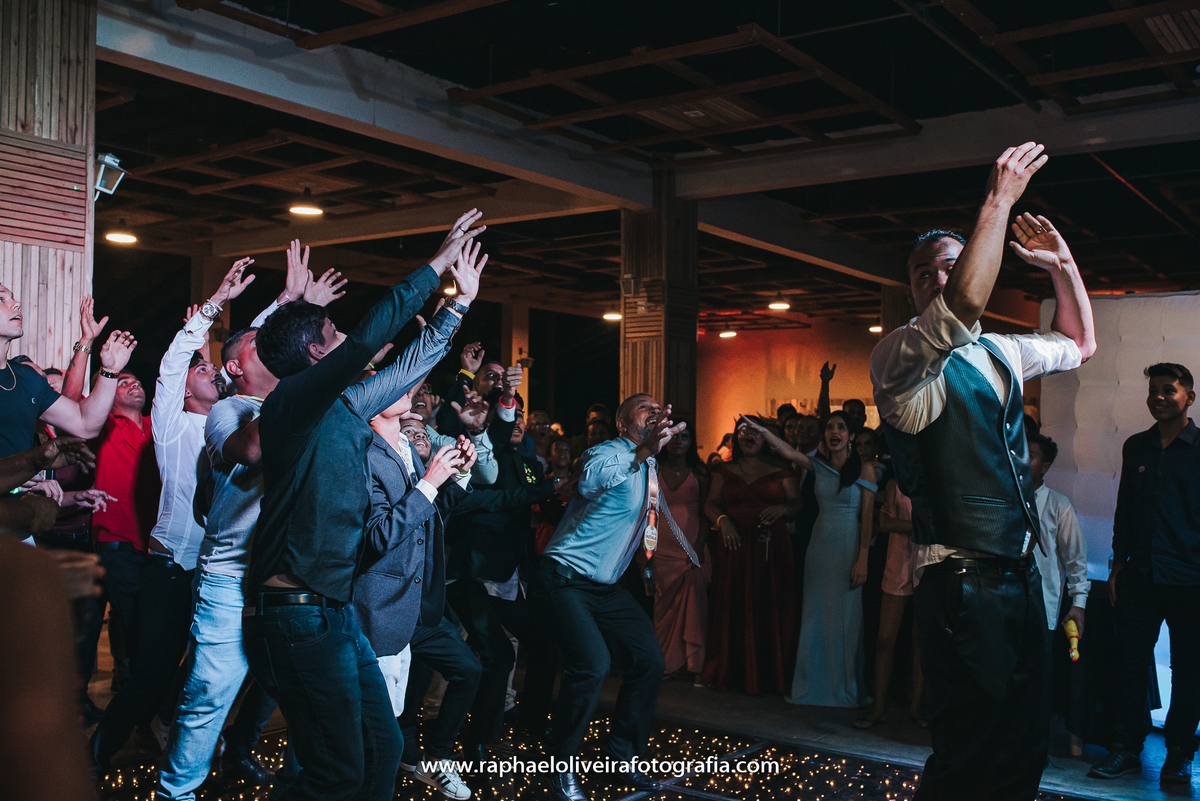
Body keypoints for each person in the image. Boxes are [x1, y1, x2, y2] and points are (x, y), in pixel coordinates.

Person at [870, 142, 1096, 800]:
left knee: (1022, 750)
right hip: (961, 585)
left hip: (1020, 578)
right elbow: (963, 305)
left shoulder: (999, 351)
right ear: (913, 288)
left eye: (949, 265)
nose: (938, 279)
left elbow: (1080, 343)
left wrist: (1063, 265)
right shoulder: (900, 355)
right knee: (969, 756)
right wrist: (998, 200)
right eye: (924, 273)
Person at [242, 209, 485, 801]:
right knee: (336, 774)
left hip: (335, 610)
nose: (348, 340)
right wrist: (434, 266)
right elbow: (375, 334)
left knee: (384, 748)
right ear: (316, 356)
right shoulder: (291, 407)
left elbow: (410, 365)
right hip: (297, 611)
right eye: (334, 336)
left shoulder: (347, 407)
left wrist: (457, 304)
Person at [158, 241, 347, 799]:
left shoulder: (300, 400)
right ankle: (178, 791)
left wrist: (300, 315)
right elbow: (256, 452)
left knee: (297, 692)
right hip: (230, 578)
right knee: (212, 690)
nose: (273, 350)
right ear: (239, 367)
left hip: (290, 577)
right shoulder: (229, 410)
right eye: (263, 347)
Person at [91, 259, 259, 773]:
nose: (211, 372)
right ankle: (91, 760)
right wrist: (216, 302)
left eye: (215, 370)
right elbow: (175, 360)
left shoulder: (232, 426)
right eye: (202, 370)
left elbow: (251, 362)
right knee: (151, 672)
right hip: (171, 568)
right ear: (186, 389)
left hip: (218, 571)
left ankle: (176, 729)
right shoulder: (171, 425)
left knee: (216, 669)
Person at [533, 394, 691, 801]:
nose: (654, 412)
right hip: (564, 578)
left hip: (605, 588)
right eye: (644, 408)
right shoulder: (605, 451)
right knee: (592, 665)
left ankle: (621, 755)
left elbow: (634, 526)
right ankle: (559, 765)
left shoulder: (650, 465)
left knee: (649, 660)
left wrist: (646, 571)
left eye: (659, 409)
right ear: (622, 424)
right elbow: (587, 483)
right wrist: (641, 451)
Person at [1091, 363, 1200, 784]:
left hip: (1191, 578)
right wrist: (1118, 564)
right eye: (1153, 390)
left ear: (1188, 397)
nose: (1158, 396)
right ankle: (1124, 750)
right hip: (1140, 577)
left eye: (1168, 390)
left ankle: (1178, 755)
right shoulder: (1136, 446)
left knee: (1188, 670)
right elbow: (1124, 509)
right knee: (1131, 666)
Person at [746, 412, 875, 707]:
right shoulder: (819, 465)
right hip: (819, 545)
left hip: (847, 545)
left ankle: (843, 688)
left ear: (851, 436)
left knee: (845, 616)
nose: (835, 432)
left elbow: (867, 518)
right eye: (830, 427)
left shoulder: (864, 469)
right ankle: (812, 685)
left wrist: (863, 558)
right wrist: (764, 433)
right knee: (815, 614)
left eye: (842, 427)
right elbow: (789, 450)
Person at [701, 417, 800, 695]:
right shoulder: (724, 470)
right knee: (734, 603)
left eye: (754, 431)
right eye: (742, 431)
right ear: (735, 438)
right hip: (734, 545)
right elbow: (709, 503)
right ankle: (733, 671)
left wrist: (782, 511)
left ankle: (768, 674)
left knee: (767, 603)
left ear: (765, 437)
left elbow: (797, 503)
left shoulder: (782, 469)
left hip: (770, 545)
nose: (748, 435)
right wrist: (722, 521)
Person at [856, 478, 925, 728]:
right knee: (885, 639)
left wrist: (903, 525)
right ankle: (878, 707)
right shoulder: (895, 483)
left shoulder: (938, 475)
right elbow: (884, 523)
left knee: (921, 641)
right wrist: (920, 526)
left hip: (927, 563)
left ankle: (916, 708)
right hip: (898, 561)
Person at [652, 419, 709, 681]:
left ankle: (692, 665)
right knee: (662, 608)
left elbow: (706, 514)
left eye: (685, 437)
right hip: (661, 547)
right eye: (675, 436)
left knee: (693, 607)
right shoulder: (652, 469)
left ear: (691, 443)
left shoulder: (700, 473)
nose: (679, 442)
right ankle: (664, 664)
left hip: (691, 547)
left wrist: (697, 551)